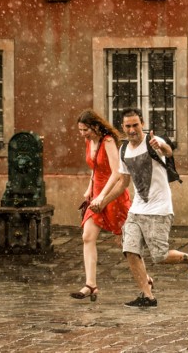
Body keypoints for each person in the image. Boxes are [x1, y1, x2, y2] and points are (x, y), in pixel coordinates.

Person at [93, 107, 188, 308]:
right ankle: (147, 296)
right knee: (130, 250)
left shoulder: (153, 141)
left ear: (142, 124)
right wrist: (103, 201)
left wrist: (161, 147)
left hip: (160, 209)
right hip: (137, 210)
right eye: (128, 126)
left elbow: (168, 150)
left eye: (135, 125)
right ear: (123, 127)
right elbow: (123, 183)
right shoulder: (124, 150)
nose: (132, 130)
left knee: (159, 256)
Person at [70, 109, 132, 302]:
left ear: (96, 126)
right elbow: (94, 169)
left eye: (85, 130)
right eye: (80, 130)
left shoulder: (108, 141)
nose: (83, 134)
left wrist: (103, 196)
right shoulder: (89, 142)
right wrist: (90, 189)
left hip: (112, 195)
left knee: (127, 244)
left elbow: (116, 173)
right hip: (96, 195)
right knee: (87, 236)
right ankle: (91, 285)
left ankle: (145, 279)